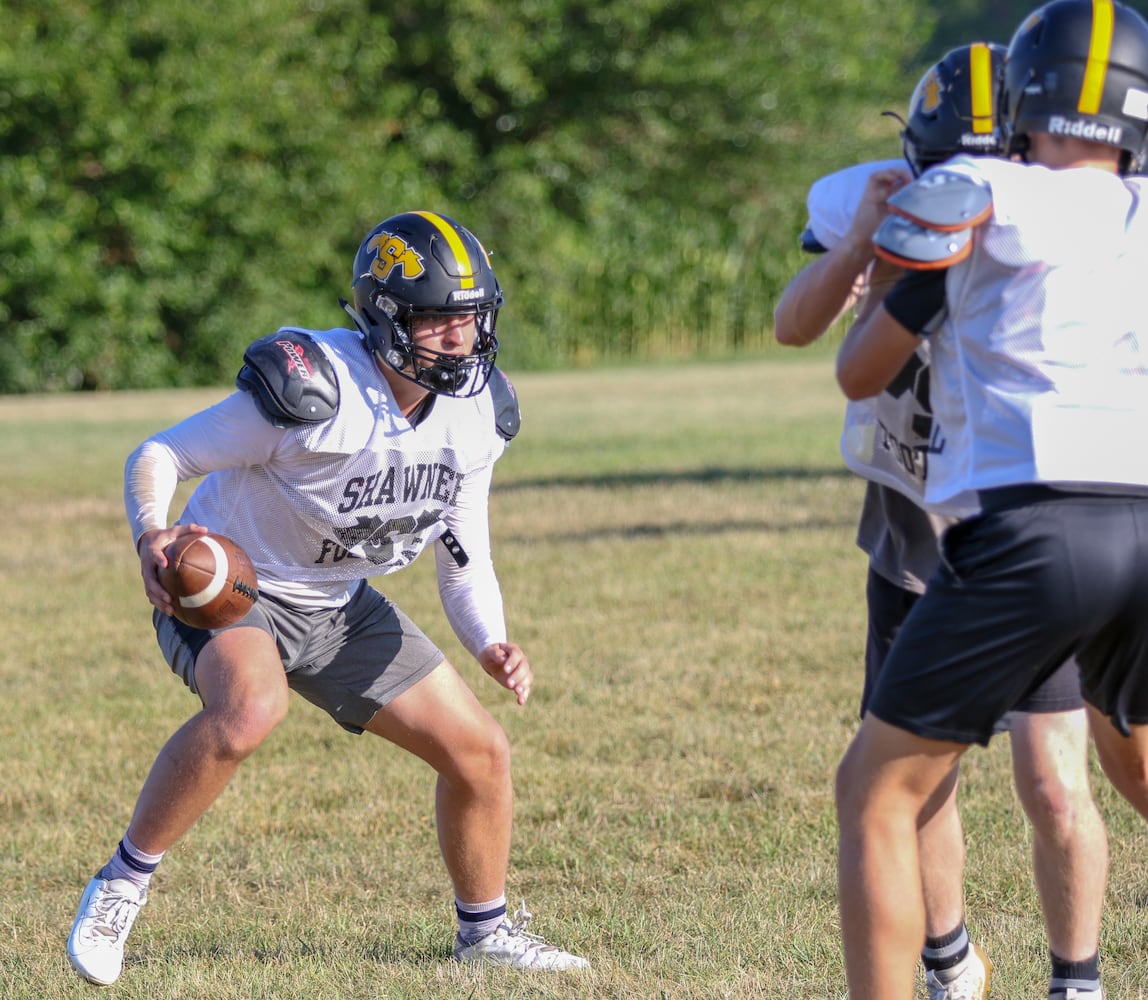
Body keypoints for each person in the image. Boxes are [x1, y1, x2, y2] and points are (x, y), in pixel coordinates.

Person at [66, 210, 590, 985]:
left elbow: (462, 548)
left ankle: (486, 933)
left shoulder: (478, 415)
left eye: (471, 320)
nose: (460, 338)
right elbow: (163, 452)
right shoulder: (321, 388)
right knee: (251, 710)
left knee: (480, 753)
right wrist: (152, 533)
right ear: (385, 321)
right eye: (439, 321)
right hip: (236, 586)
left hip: (341, 602)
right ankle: (120, 884)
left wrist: (491, 638)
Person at [774, 41, 1109, 1000]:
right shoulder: (871, 200)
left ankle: (1075, 980)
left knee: (1056, 779)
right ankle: (947, 958)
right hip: (912, 515)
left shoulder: (1062, 230)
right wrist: (860, 244)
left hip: (1024, 518)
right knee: (914, 767)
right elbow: (797, 326)